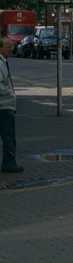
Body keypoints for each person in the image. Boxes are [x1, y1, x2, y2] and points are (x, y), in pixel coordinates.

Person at [0, 38, 22, 173]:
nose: (11, 49)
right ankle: (9, 163)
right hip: (4, 105)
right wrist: (10, 94)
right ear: (0, 48)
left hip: (5, 105)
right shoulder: (0, 63)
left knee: (8, 137)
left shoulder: (3, 62)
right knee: (9, 137)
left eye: (11, 46)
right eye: (8, 46)